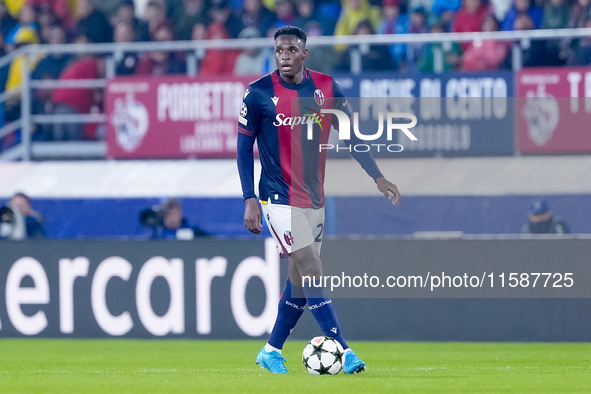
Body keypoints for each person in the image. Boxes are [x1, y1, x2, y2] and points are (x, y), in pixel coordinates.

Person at [237, 25, 401, 374]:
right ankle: (345, 351)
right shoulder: (258, 94)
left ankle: (270, 350)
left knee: (299, 283)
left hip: (314, 200)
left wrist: (377, 176)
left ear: (304, 54)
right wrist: (249, 197)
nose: (284, 56)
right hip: (277, 199)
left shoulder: (327, 88)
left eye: (291, 50)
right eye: (279, 50)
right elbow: (242, 149)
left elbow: (352, 135)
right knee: (313, 269)